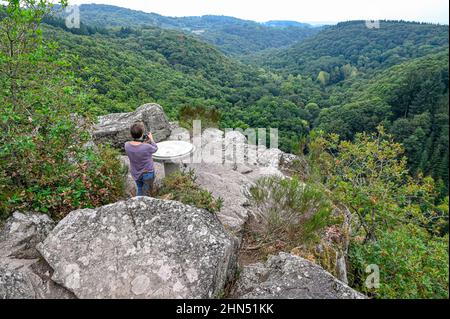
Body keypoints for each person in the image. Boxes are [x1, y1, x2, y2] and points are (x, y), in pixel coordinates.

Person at [124, 122, 158, 197]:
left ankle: (138, 203)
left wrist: (142, 143)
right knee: (147, 193)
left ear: (131, 134)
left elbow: (136, 148)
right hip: (147, 173)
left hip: (135, 173)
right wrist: (151, 139)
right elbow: (155, 148)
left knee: (139, 188)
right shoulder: (146, 147)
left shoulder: (126, 145)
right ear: (142, 134)